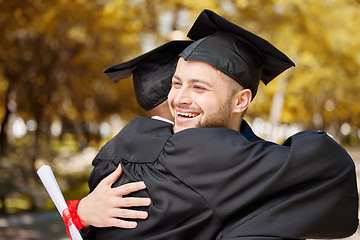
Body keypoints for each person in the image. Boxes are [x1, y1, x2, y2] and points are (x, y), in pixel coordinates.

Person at [78, 9, 358, 240]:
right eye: (176, 84)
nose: (178, 99)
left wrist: (78, 213)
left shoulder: (128, 140)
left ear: (240, 101)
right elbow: (331, 175)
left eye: (199, 88)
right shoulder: (232, 161)